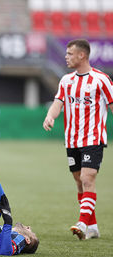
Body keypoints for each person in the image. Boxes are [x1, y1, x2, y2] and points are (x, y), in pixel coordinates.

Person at [43, 39, 113, 240]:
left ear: (82, 55)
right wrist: (50, 116)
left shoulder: (101, 80)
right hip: (72, 140)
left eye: (70, 53)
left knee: (87, 178)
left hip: (93, 138)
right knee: (79, 182)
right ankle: (93, 227)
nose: (66, 57)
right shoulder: (66, 80)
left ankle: (82, 223)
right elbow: (58, 102)